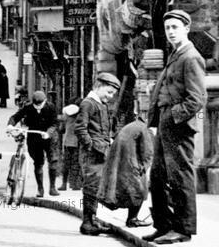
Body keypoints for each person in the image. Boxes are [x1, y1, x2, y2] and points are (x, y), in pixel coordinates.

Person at [144, 9, 206, 245]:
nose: (170, 32)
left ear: (186, 29)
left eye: (175, 28)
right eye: (167, 28)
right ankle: (163, 225)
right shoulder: (176, 55)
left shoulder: (190, 57)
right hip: (165, 123)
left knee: (180, 176)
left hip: (177, 125)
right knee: (158, 176)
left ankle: (183, 228)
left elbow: (197, 98)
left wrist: (172, 116)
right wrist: (154, 122)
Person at [75, 72, 120, 235]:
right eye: (108, 92)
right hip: (92, 154)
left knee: (96, 187)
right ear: (98, 87)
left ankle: (92, 220)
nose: (110, 96)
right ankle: (87, 223)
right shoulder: (88, 103)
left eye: (113, 94)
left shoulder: (100, 104)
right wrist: (91, 146)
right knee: (91, 186)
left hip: (101, 152)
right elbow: (80, 128)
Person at [98, 100, 153, 228]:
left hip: (121, 164)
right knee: (140, 191)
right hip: (131, 164)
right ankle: (132, 219)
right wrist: (144, 168)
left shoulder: (132, 125)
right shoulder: (144, 128)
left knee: (129, 191)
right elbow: (148, 152)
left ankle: (131, 218)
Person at [7, 90, 59, 197]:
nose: (38, 107)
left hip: (49, 137)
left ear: (45, 101)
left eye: (40, 105)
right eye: (36, 105)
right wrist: (10, 125)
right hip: (34, 137)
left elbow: (54, 123)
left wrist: (48, 133)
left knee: (53, 160)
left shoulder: (51, 107)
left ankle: (52, 188)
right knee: (38, 162)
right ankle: (40, 189)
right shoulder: (28, 107)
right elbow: (15, 117)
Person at [58, 99, 82, 191]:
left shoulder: (66, 116)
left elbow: (61, 129)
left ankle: (64, 184)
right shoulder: (81, 117)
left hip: (67, 142)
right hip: (77, 143)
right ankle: (75, 184)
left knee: (66, 163)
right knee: (76, 163)